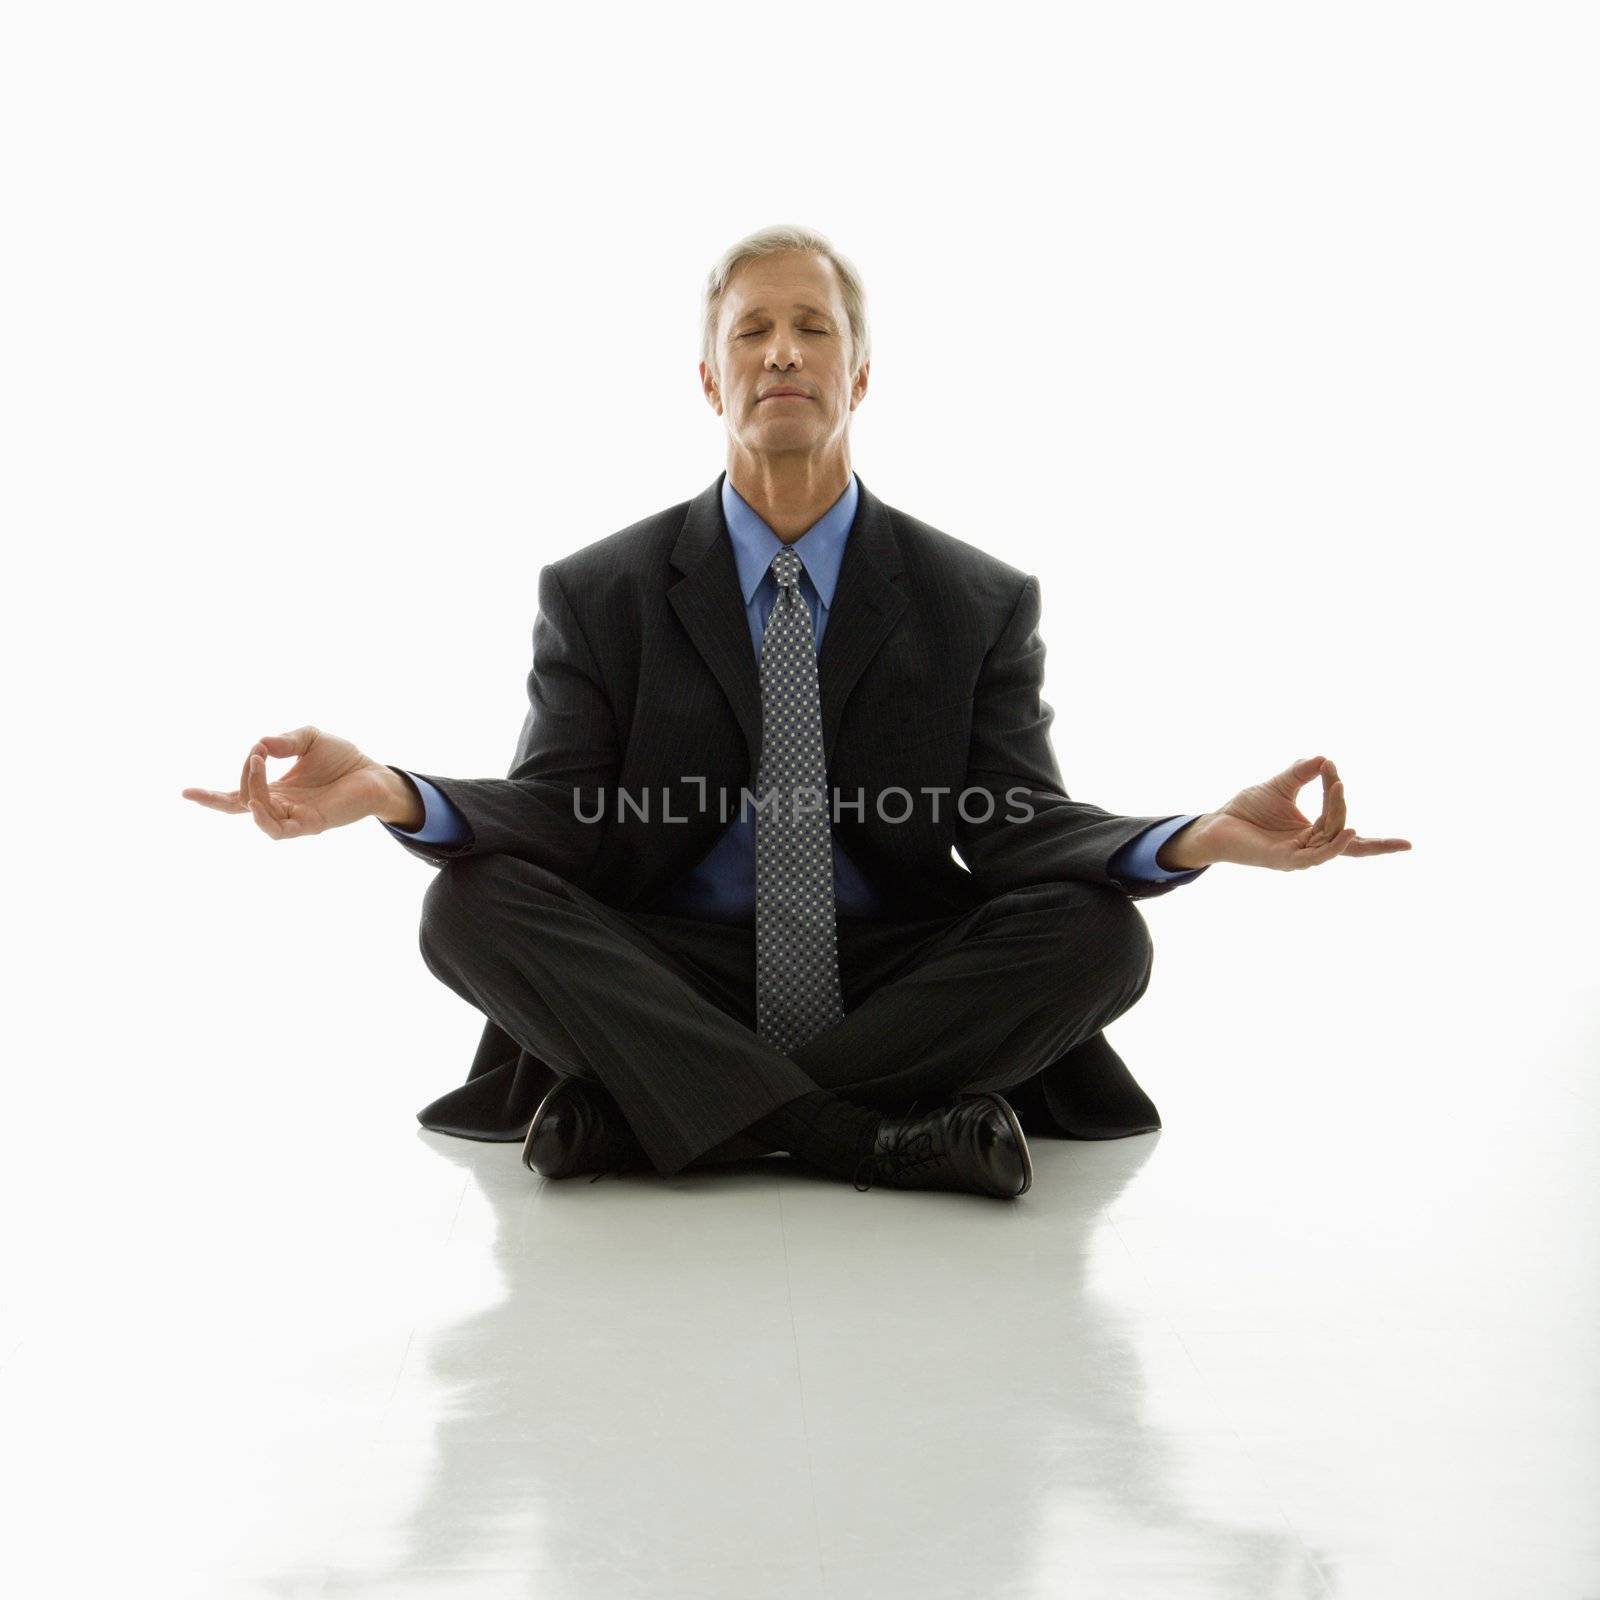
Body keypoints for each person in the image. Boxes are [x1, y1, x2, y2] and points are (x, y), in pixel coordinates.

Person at [183, 223, 1411, 1201]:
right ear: (709, 375)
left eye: (811, 328)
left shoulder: (973, 597)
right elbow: (562, 817)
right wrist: (395, 791)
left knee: (1098, 937)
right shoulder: (600, 590)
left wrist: (1194, 834)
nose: (782, 352)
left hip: (886, 978)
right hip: (673, 965)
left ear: (858, 374)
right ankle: (865, 1140)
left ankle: (650, 1112)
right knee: (469, 902)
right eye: (753, 330)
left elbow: (1015, 822)